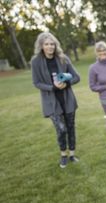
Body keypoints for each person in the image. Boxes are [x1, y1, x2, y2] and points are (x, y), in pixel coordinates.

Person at [31, 32, 81, 168]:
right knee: (61, 129)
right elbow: (36, 83)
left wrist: (67, 84)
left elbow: (76, 77)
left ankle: (72, 154)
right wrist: (52, 87)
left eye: (52, 44)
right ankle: (63, 155)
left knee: (70, 127)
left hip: (67, 100)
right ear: (41, 46)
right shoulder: (36, 62)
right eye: (46, 44)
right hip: (51, 102)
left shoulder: (63, 58)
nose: (50, 47)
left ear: (55, 45)